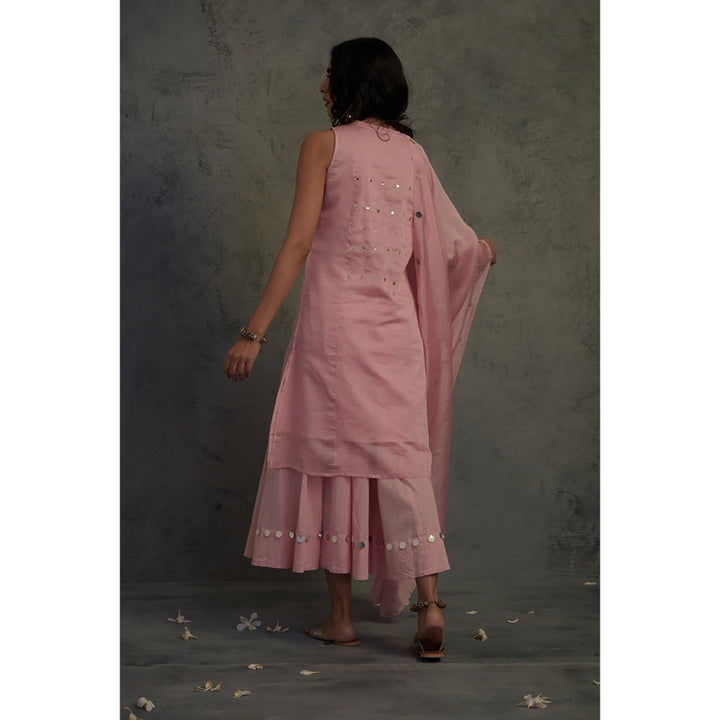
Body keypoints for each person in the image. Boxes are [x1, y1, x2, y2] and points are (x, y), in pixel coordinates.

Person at [224, 37, 496, 660]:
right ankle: (430, 607)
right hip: (397, 333)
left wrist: (253, 332)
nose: (322, 84)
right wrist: (481, 252)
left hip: (336, 332)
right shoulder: (413, 154)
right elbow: (449, 245)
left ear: (350, 80)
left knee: (335, 460)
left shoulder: (323, 145)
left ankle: (341, 618)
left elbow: (298, 243)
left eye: (328, 73)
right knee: (402, 460)